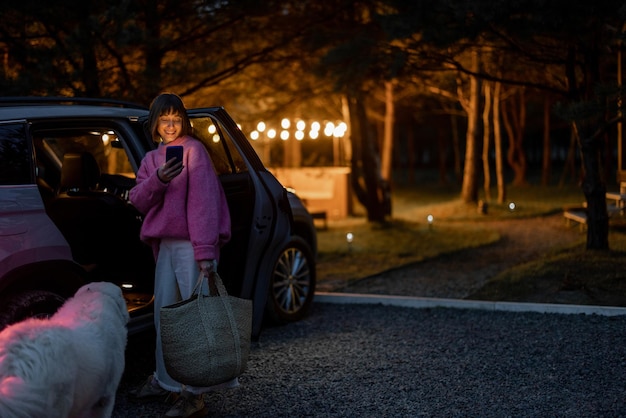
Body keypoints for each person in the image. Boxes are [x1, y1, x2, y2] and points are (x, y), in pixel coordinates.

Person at [129, 93, 233, 418]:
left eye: (176, 118)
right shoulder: (151, 159)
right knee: (165, 316)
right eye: (164, 119)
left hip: (192, 245)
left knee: (192, 318)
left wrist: (205, 252)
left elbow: (203, 204)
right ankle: (166, 382)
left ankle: (195, 394)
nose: (170, 125)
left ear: (183, 120)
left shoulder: (195, 152)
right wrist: (159, 179)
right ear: (155, 123)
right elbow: (137, 199)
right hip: (166, 247)